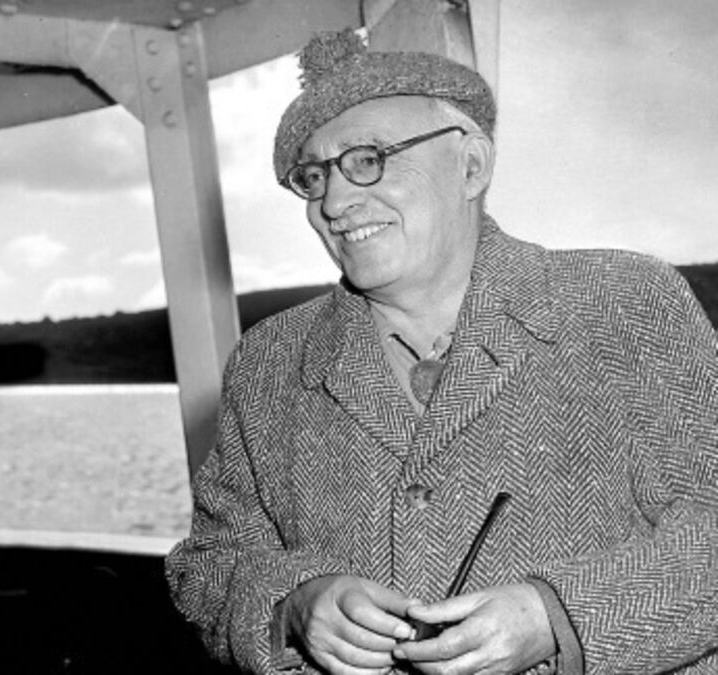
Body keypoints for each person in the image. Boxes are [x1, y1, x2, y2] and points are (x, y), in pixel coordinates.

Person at [164, 27, 718, 675]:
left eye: (368, 158)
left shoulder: (623, 301)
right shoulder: (267, 361)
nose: (334, 203)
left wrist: (560, 616)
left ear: (471, 165)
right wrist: (294, 604)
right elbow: (208, 567)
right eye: (313, 177)